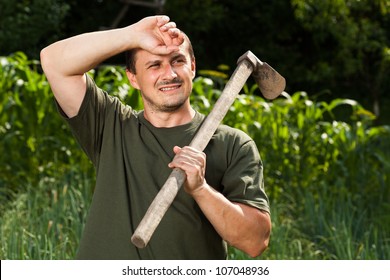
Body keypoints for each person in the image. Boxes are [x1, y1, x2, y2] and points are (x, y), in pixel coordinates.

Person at [40, 15, 271, 260]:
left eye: (177, 61)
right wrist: (132, 34)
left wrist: (201, 189)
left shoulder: (233, 145)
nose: (169, 74)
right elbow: (53, 62)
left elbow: (255, 241)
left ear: (192, 67)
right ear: (133, 77)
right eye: (154, 65)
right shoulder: (111, 125)